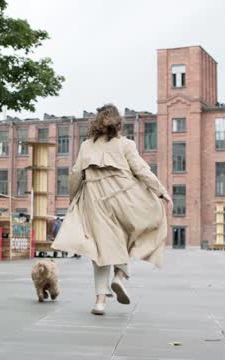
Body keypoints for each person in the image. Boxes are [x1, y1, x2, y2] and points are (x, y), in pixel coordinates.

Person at [52, 104, 173, 316]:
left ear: (96, 123)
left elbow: (74, 176)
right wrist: (162, 192)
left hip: (95, 201)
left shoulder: (86, 146)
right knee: (127, 238)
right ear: (118, 124)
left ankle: (100, 301)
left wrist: (74, 200)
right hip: (124, 198)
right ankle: (120, 277)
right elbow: (142, 171)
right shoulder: (126, 145)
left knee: (100, 249)